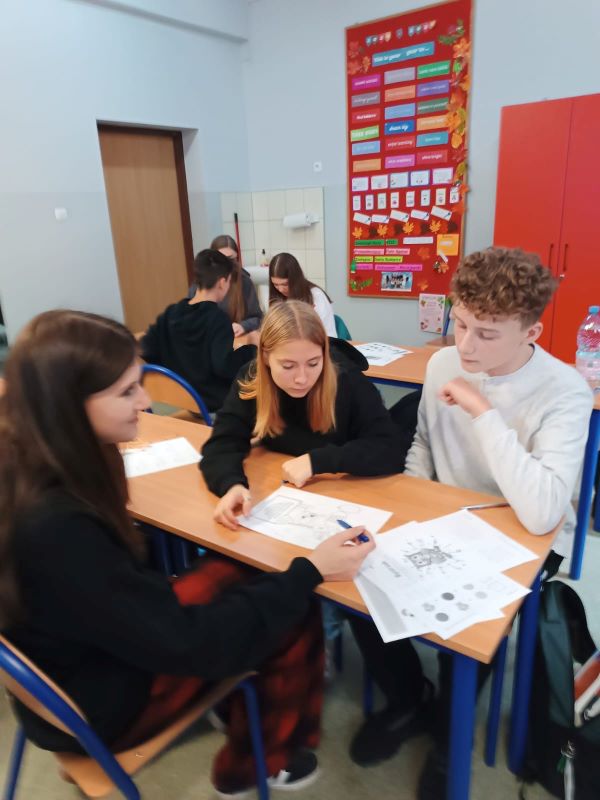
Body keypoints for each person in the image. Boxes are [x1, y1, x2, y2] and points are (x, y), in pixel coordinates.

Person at [0, 309, 375, 797]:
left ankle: (241, 710)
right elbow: (189, 642)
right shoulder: (57, 527)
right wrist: (311, 571)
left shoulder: (28, 467)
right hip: (99, 702)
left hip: (73, 667)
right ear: (68, 404)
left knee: (245, 573)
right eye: (127, 391)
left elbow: (128, 601)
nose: (145, 401)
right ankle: (253, 764)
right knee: (291, 606)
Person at [351, 247, 594, 800]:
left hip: (526, 536)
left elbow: (542, 511)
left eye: (486, 334)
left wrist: (484, 413)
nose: (465, 346)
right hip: (446, 515)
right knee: (356, 577)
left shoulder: (565, 390)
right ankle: (410, 699)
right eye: (460, 323)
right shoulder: (442, 363)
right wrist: (410, 504)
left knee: (466, 621)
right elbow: (423, 442)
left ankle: (447, 735)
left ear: (531, 331)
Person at [200, 300, 410, 522]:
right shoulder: (252, 379)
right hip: (289, 498)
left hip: (351, 497)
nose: (301, 378)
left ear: (324, 354)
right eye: (288, 366)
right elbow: (223, 442)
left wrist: (318, 461)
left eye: (313, 363)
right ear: (266, 358)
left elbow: (389, 447)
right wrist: (231, 485)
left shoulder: (346, 379)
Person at [141, 248, 257, 413]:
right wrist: (250, 347)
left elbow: (146, 349)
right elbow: (224, 367)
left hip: (174, 404)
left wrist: (175, 367)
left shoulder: (170, 313)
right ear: (222, 282)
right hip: (210, 406)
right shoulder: (218, 319)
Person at [189, 234, 263, 337]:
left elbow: (257, 318)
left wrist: (243, 326)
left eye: (230, 259)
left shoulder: (244, 282)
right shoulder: (199, 283)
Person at [269, 253, 336, 338]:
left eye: (285, 284)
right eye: (275, 284)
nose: (280, 289)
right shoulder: (276, 297)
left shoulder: (316, 296)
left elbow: (328, 335)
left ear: (295, 279)